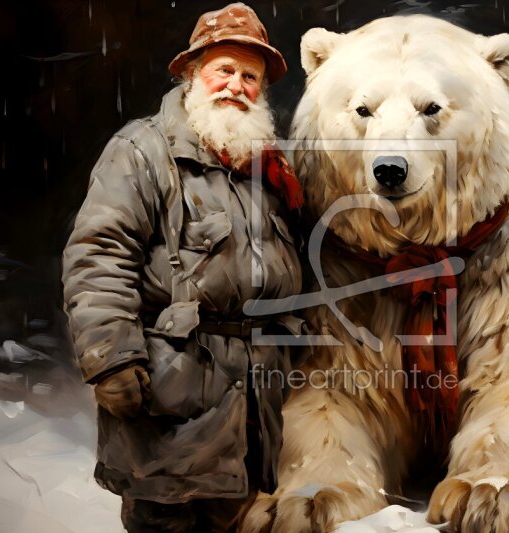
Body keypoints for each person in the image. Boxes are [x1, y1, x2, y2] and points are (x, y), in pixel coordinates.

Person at [61, 3, 303, 530]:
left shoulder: (268, 173)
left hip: (255, 417)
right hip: (171, 409)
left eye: (249, 76)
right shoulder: (142, 150)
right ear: (193, 73)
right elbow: (99, 254)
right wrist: (110, 358)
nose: (236, 86)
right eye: (224, 70)